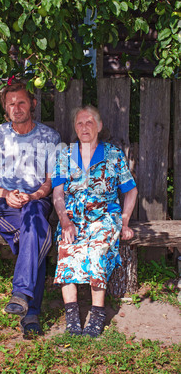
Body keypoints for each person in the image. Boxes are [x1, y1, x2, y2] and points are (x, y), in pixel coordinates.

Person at [0, 78, 61, 337]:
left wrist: (35, 195)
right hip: (3, 205)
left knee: (33, 223)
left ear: (32, 103)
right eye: (11, 104)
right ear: (6, 109)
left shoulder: (50, 137)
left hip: (36, 201)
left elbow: (51, 180)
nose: (17, 107)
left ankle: (23, 299)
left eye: (22, 102)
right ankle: (31, 311)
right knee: (35, 234)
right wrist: (5, 194)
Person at [52, 105, 138, 338]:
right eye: (79, 123)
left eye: (89, 122)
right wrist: (65, 221)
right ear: (75, 128)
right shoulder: (65, 154)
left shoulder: (113, 154)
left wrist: (125, 220)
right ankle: (72, 317)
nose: (84, 127)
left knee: (97, 252)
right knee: (66, 249)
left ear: (99, 126)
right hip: (74, 219)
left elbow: (130, 190)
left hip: (105, 218)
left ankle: (97, 314)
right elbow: (58, 194)